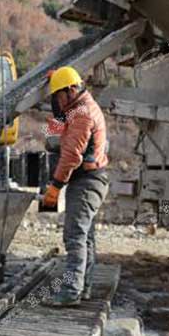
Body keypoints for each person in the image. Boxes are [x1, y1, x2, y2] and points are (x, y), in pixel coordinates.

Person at [42, 66, 110, 306]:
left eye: (59, 96)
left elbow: (71, 155)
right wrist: (53, 96)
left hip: (86, 182)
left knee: (74, 237)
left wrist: (55, 186)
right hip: (91, 180)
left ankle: (71, 291)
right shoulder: (78, 107)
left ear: (71, 90)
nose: (58, 101)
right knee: (85, 238)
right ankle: (83, 288)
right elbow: (55, 133)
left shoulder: (82, 113)